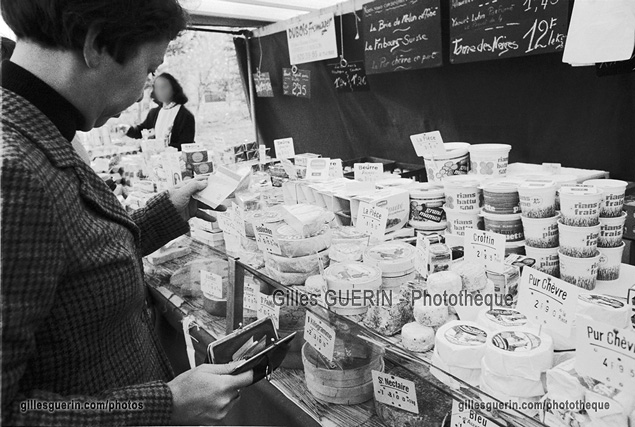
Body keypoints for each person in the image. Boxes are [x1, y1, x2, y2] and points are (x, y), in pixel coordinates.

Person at [0, 1, 251, 426]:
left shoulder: (40, 132)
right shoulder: (12, 172)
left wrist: (170, 210)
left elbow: (79, 259)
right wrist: (165, 404)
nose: (146, 88)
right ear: (97, 45)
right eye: (150, 67)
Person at [126, 73, 195, 151]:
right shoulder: (154, 113)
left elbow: (185, 145)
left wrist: (155, 146)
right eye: (157, 87)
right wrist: (127, 129)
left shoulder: (185, 116)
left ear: (174, 89)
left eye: (164, 87)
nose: (160, 91)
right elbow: (141, 131)